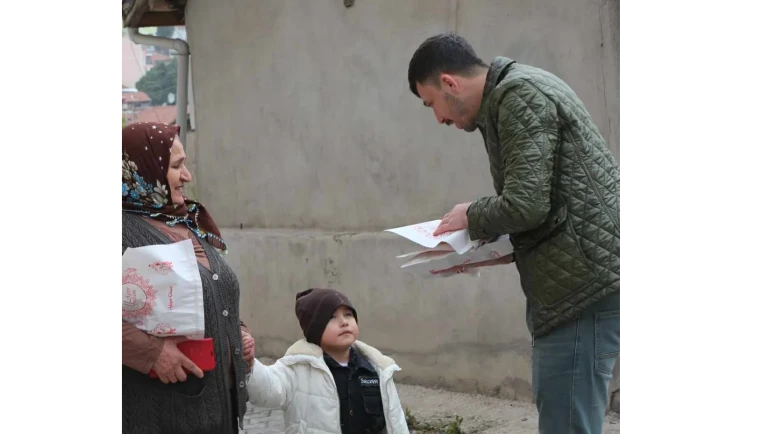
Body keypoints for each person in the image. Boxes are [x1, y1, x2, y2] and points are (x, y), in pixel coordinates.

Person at [407, 34, 623, 434]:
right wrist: (490, 248)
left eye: (431, 104)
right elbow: (549, 201)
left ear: (450, 84)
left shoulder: (518, 95)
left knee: (568, 422)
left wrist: (471, 215)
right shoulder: (518, 90)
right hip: (579, 280)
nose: (438, 119)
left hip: (580, 289)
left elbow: (526, 204)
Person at [120, 122, 256, 434]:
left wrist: (238, 333)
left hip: (217, 410)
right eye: (177, 166)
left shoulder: (188, 221)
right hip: (160, 415)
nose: (187, 176)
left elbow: (209, 293)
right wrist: (151, 353)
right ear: (145, 170)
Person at [246, 288, 410, 434]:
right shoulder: (297, 367)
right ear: (314, 329)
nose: (344, 322)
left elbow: (396, 420)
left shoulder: (378, 368)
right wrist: (249, 364)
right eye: (332, 317)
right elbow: (266, 392)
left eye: (348, 314)